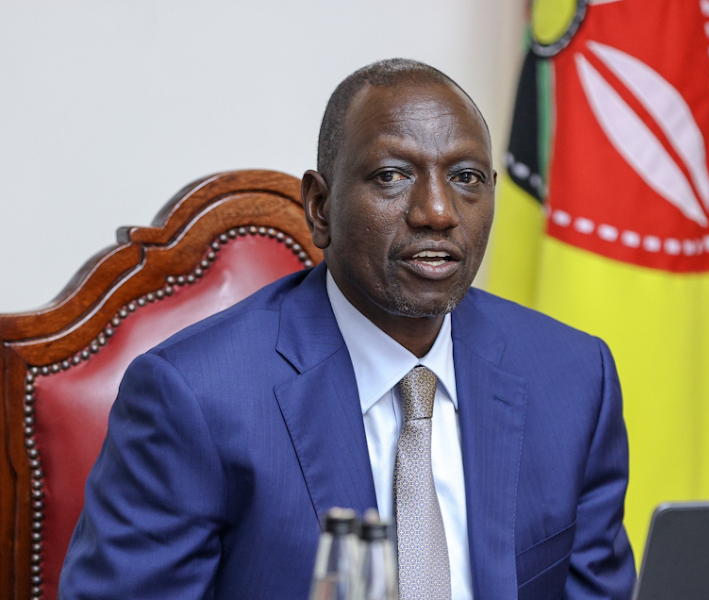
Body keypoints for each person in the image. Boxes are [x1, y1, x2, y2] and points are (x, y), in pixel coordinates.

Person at [59, 59, 635, 599]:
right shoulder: (195, 399)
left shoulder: (573, 379)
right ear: (319, 206)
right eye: (392, 175)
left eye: (466, 177)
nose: (437, 212)